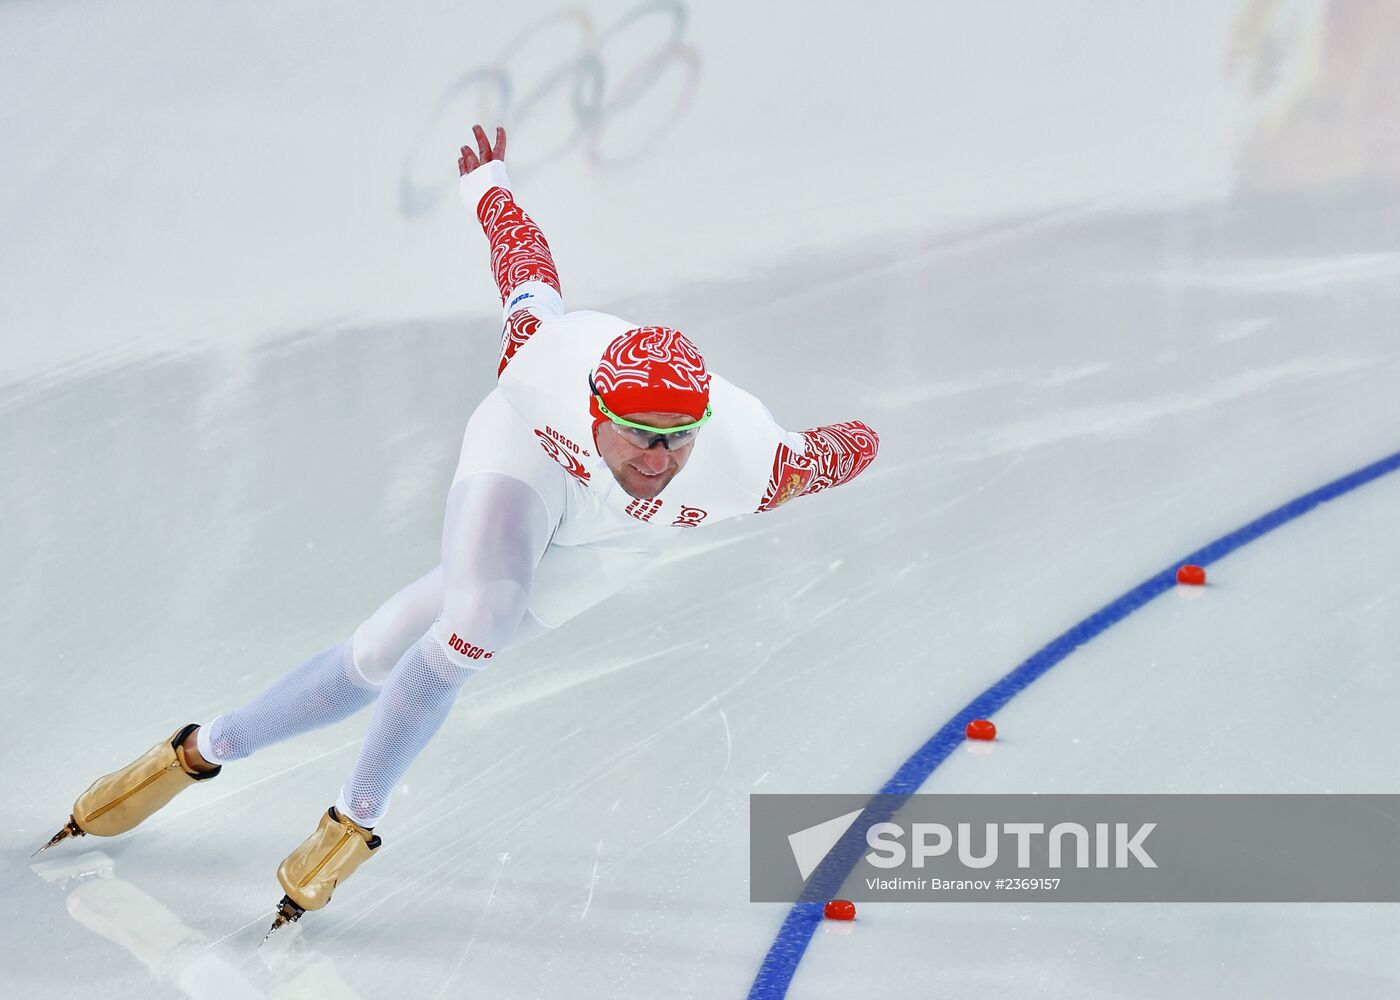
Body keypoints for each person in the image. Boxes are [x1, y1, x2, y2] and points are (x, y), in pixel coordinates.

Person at [40, 125, 880, 935]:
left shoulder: (753, 464)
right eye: (639, 435)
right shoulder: (544, 362)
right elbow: (526, 265)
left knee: (385, 651)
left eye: (678, 439)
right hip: (527, 460)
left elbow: (846, 450)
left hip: (614, 542)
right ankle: (292, 794)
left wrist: (865, 435)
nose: (658, 459)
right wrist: (489, 183)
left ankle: (232, 759)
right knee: (472, 617)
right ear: (596, 409)